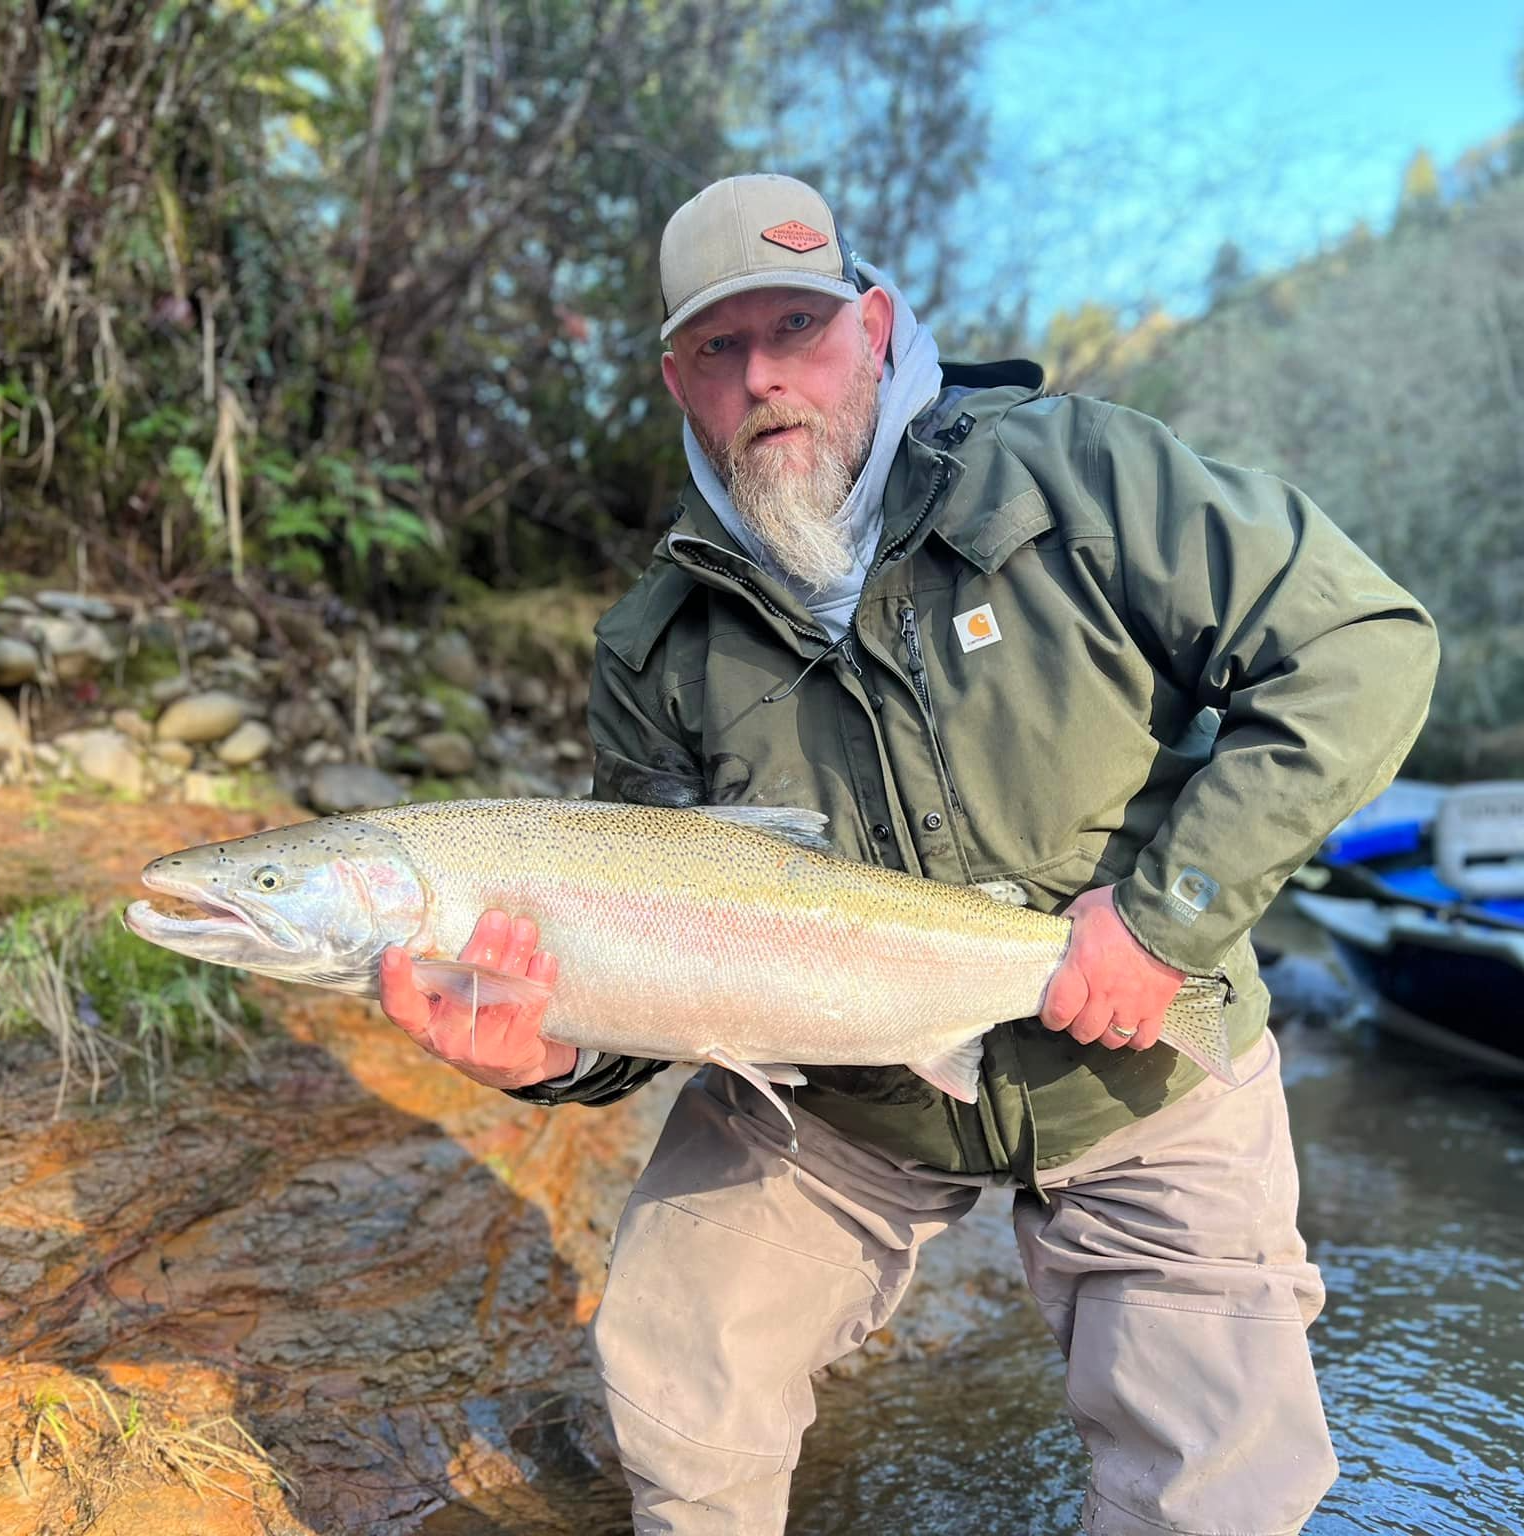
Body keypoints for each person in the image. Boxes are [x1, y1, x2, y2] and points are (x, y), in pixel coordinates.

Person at [379, 173, 1440, 1534]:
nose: (765, 377)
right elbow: (645, 981)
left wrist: (1165, 919)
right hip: (836, 1099)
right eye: (719, 347)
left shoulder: (1082, 475)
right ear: (678, 383)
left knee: (1215, 1491)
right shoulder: (657, 645)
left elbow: (1363, 648)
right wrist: (549, 1053)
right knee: (675, 1362)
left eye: (799, 328)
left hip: (1142, 1065)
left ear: (874, 328)